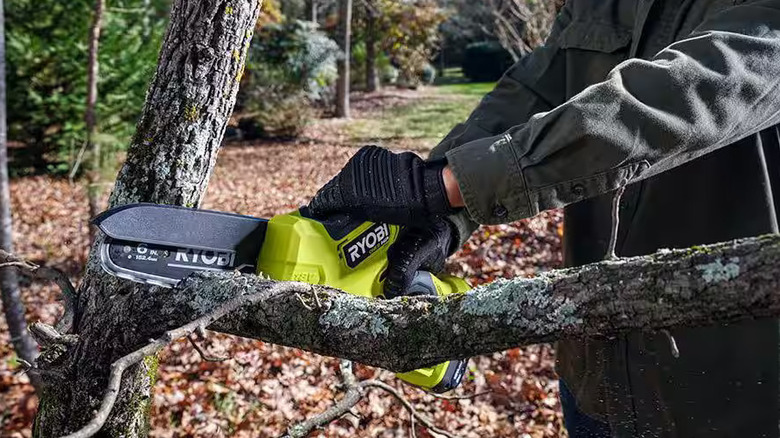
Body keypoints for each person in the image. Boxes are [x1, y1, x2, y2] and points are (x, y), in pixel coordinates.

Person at [308, 0, 780, 436]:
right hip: (595, 378)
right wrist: (443, 204)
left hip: (737, 398)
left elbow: (693, 91)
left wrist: (445, 185)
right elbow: (537, 87)